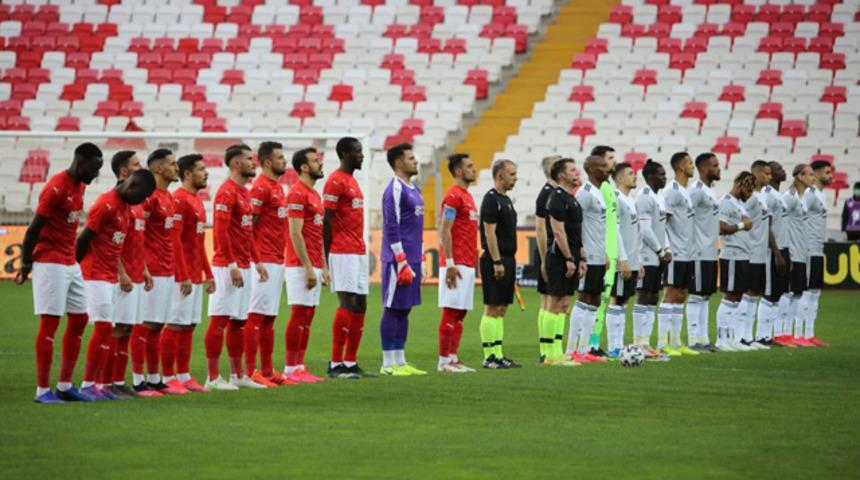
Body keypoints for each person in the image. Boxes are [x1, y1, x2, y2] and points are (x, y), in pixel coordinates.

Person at [18, 143, 104, 403]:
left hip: (69, 260)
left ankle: (65, 385)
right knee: (50, 323)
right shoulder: (55, 188)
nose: (96, 174)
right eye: (94, 168)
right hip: (49, 260)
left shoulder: (80, 185)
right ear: (80, 162)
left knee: (80, 319)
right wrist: (25, 262)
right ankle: (42, 390)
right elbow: (33, 228)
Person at [76, 169, 156, 400]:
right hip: (95, 274)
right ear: (132, 186)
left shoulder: (125, 208)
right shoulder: (105, 204)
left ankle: (106, 384)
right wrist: (73, 270)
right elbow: (84, 239)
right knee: (105, 329)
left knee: (116, 328)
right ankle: (91, 383)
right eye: (141, 197)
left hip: (110, 275)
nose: (141, 203)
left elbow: (119, 246)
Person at [205, 144, 268, 390]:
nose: (254, 163)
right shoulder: (226, 192)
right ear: (235, 164)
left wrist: (257, 261)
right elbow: (220, 231)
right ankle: (212, 378)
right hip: (226, 266)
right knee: (219, 320)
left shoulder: (245, 192)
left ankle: (237, 375)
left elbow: (247, 232)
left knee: (239, 322)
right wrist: (231, 264)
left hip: (244, 265)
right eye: (249, 159)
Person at [136, 148, 187, 394]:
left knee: (157, 325)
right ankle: (137, 380)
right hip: (151, 269)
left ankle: (155, 378)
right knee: (144, 325)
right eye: (172, 164)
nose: (176, 168)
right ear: (158, 169)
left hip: (167, 270)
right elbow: (138, 235)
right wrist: (142, 267)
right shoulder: (148, 197)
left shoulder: (169, 197)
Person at [324, 137, 374, 379]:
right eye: (357, 151)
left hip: (358, 249)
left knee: (361, 304)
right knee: (347, 302)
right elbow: (327, 220)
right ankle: (335, 364)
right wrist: (324, 258)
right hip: (342, 250)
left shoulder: (352, 181)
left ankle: (350, 361)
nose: (362, 155)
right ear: (344, 154)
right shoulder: (335, 181)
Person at [109, 151, 156, 398]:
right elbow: (110, 242)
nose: (142, 167)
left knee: (127, 329)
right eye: (137, 164)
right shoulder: (116, 202)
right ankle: (107, 382)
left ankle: (118, 380)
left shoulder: (136, 203)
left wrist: (145, 270)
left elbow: (136, 242)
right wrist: (121, 273)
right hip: (122, 278)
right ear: (124, 172)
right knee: (116, 329)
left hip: (137, 275)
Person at [246, 142, 293, 386]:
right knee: (256, 316)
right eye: (280, 157)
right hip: (263, 259)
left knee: (269, 317)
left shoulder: (277, 187)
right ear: (267, 162)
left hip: (276, 258)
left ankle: (267, 370)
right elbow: (249, 225)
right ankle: (250, 371)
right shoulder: (261, 188)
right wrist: (255, 259)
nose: (284, 161)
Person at [167, 154, 216, 392]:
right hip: (181, 276)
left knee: (189, 325)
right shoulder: (179, 200)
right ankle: (167, 376)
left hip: (195, 274)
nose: (206, 173)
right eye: (201, 169)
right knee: (175, 324)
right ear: (187, 174)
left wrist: (208, 273)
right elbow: (174, 240)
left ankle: (184, 375)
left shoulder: (196, 201)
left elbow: (198, 243)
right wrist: (183, 274)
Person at [379, 143, 427, 375]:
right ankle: (388, 364)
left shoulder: (415, 190)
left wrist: (422, 258)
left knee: (405, 309)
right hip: (398, 260)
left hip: (413, 258)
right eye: (411, 158)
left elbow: (418, 228)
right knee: (392, 308)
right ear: (399, 163)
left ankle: (400, 360)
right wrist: (401, 260)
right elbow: (390, 225)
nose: (415, 161)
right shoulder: (395, 189)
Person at [283, 147, 329, 383]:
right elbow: (295, 233)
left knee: (308, 315)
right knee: (299, 313)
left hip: (313, 263)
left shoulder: (315, 195)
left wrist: (323, 265)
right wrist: (308, 266)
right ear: (303, 166)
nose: (320, 164)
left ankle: (300, 366)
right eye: (314, 161)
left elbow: (317, 234)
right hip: (299, 264)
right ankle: (290, 368)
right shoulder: (297, 193)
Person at [567, 155, 617, 364]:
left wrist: (604, 252)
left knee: (594, 300)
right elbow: (573, 222)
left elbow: (597, 226)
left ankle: (585, 348)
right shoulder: (585, 193)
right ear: (592, 169)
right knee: (584, 297)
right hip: (587, 255)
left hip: (598, 255)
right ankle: (571, 350)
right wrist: (580, 253)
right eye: (603, 167)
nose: (608, 170)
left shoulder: (597, 193)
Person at [437, 153, 479, 373]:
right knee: (451, 311)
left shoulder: (467, 196)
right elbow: (445, 230)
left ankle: (453, 357)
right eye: (470, 166)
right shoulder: (453, 196)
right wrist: (450, 263)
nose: (475, 169)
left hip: (467, 261)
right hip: (455, 263)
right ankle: (444, 361)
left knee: (461, 312)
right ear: (459, 172)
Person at [541, 158, 584, 367]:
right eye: (572, 170)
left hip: (573, 256)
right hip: (559, 257)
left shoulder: (571, 198)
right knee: (554, 304)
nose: (577, 172)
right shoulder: (556, 198)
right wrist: (568, 257)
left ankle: (557, 352)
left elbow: (576, 232)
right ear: (561, 176)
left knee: (564, 304)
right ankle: (551, 354)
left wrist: (581, 257)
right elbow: (558, 231)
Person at [658, 152, 699, 356]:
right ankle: (662, 342)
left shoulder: (686, 191)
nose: (693, 166)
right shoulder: (671, 191)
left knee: (682, 295)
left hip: (687, 253)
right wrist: (666, 248)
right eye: (690, 163)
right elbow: (662, 222)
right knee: (671, 294)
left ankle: (675, 341)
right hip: (675, 252)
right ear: (681, 166)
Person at [632, 160, 671, 358]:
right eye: (661, 174)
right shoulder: (644, 197)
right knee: (643, 295)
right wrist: (660, 250)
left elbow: (660, 227)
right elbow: (645, 230)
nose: (665, 177)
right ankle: (638, 342)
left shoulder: (659, 197)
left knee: (653, 297)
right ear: (650, 177)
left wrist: (666, 248)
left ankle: (646, 342)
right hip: (646, 255)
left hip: (657, 255)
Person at [738, 161, 779, 350]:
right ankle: (740, 336)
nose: (770, 178)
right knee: (747, 293)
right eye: (766, 174)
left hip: (761, 253)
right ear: (756, 173)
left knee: (755, 293)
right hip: (751, 252)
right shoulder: (750, 198)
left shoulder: (761, 197)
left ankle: (748, 335)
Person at [774, 164, 815, 347]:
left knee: (797, 294)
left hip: (801, 252)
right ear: (799, 176)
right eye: (810, 174)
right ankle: (779, 333)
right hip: (792, 252)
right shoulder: (788, 198)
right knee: (786, 294)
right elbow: (779, 225)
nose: (813, 178)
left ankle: (790, 333)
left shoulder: (802, 198)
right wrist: (785, 252)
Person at [715, 172, 756, 351]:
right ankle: (721, 340)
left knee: (737, 297)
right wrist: (742, 225)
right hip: (731, 255)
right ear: (740, 185)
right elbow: (720, 228)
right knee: (730, 296)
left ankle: (731, 339)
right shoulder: (725, 201)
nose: (750, 194)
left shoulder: (739, 204)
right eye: (749, 189)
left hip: (742, 255)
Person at [588, 145, 621, 357]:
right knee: (595, 300)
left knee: (603, 301)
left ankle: (594, 343)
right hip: (602, 252)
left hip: (612, 251)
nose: (613, 162)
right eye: (609, 158)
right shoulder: (596, 189)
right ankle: (589, 345)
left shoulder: (608, 187)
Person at [797, 160, 833, 347]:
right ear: (817, 174)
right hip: (808, 249)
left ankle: (810, 334)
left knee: (814, 293)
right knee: (804, 291)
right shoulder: (809, 194)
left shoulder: (820, 195)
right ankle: (798, 334)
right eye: (827, 172)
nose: (831, 175)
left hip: (818, 249)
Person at [686, 153, 720, 352]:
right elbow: (685, 218)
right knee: (696, 295)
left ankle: (704, 338)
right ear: (703, 168)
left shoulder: (709, 191)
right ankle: (693, 339)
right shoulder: (696, 191)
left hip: (709, 251)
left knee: (705, 296)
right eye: (714, 165)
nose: (718, 169)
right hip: (697, 251)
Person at [607, 162, 640, 358]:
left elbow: (635, 232)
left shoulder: (630, 199)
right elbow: (615, 230)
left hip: (632, 259)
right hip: (623, 260)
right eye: (630, 173)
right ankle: (614, 346)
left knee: (624, 301)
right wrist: (623, 259)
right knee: (617, 300)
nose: (635, 176)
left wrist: (638, 261)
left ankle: (619, 343)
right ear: (619, 178)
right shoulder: (616, 198)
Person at [756, 161, 789, 345]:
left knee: (776, 294)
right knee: (769, 294)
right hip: (771, 251)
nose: (783, 172)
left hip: (782, 249)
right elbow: (766, 226)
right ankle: (762, 336)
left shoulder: (778, 195)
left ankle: (769, 335)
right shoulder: (767, 195)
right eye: (779, 169)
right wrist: (776, 253)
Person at [534, 155, 560, 359]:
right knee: (548, 301)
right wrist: (544, 260)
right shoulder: (547, 194)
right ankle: (546, 350)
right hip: (548, 252)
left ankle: (554, 348)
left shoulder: (556, 193)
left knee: (557, 302)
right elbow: (540, 230)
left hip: (553, 252)